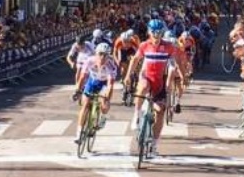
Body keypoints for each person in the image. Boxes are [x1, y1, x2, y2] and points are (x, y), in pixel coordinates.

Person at [125, 19, 180, 157]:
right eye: (154, 32)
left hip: (159, 81)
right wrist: (128, 75)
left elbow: (172, 65)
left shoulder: (168, 46)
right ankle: (136, 115)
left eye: (159, 32)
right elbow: (135, 60)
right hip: (147, 77)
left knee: (160, 111)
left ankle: (154, 144)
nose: (156, 35)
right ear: (149, 32)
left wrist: (169, 83)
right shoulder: (144, 45)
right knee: (143, 86)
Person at [73, 43, 117, 144]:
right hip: (92, 81)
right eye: (100, 54)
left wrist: (106, 100)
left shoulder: (111, 66)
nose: (103, 57)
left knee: (104, 104)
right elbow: (82, 77)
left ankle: (103, 116)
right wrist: (78, 90)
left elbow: (110, 85)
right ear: (96, 53)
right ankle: (79, 134)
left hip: (104, 83)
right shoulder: (89, 61)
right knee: (85, 105)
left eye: (106, 55)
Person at [113, 29, 139, 100]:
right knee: (123, 68)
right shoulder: (118, 42)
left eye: (128, 42)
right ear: (121, 40)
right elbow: (114, 53)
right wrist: (117, 61)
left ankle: (134, 76)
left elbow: (139, 53)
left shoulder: (133, 41)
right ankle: (124, 81)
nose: (126, 43)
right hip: (122, 51)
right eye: (124, 42)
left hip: (131, 51)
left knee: (133, 62)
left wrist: (136, 62)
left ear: (130, 40)